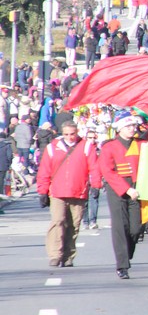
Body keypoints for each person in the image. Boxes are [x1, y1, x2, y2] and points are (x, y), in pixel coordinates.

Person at [37, 115, 101, 268]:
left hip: (78, 191)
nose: (69, 137)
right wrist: (42, 191)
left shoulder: (86, 146)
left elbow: (94, 167)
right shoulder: (53, 147)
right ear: (62, 133)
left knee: (74, 225)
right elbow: (45, 170)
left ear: (77, 132)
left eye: (72, 134)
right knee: (58, 221)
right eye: (66, 134)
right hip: (57, 192)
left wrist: (96, 185)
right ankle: (55, 254)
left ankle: (68, 255)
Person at [98, 110, 146, 279]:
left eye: (133, 125)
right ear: (119, 128)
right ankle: (122, 265)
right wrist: (126, 189)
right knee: (120, 227)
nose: (132, 129)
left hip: (136, 187)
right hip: (118, 188)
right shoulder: (109, 146)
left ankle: (127, 254)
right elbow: (108, 171)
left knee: (136, 227)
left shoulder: (140, 144)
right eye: (128, 126)